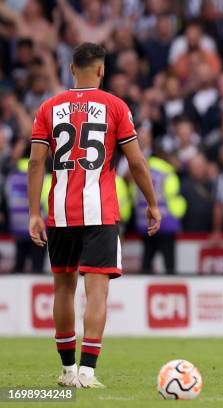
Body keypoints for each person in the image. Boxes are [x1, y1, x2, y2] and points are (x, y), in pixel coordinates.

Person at [28, 43, 161, 388]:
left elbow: (35, 162)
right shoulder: (116, 106)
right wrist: (152, 203)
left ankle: (67, 369)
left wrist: (33, 213)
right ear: (101, 71)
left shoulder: (49, 107)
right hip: (99, 211)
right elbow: (136, 161)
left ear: (72, 69)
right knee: (97, 291)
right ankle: (87, 372)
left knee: (62, 289)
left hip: (59, 212)